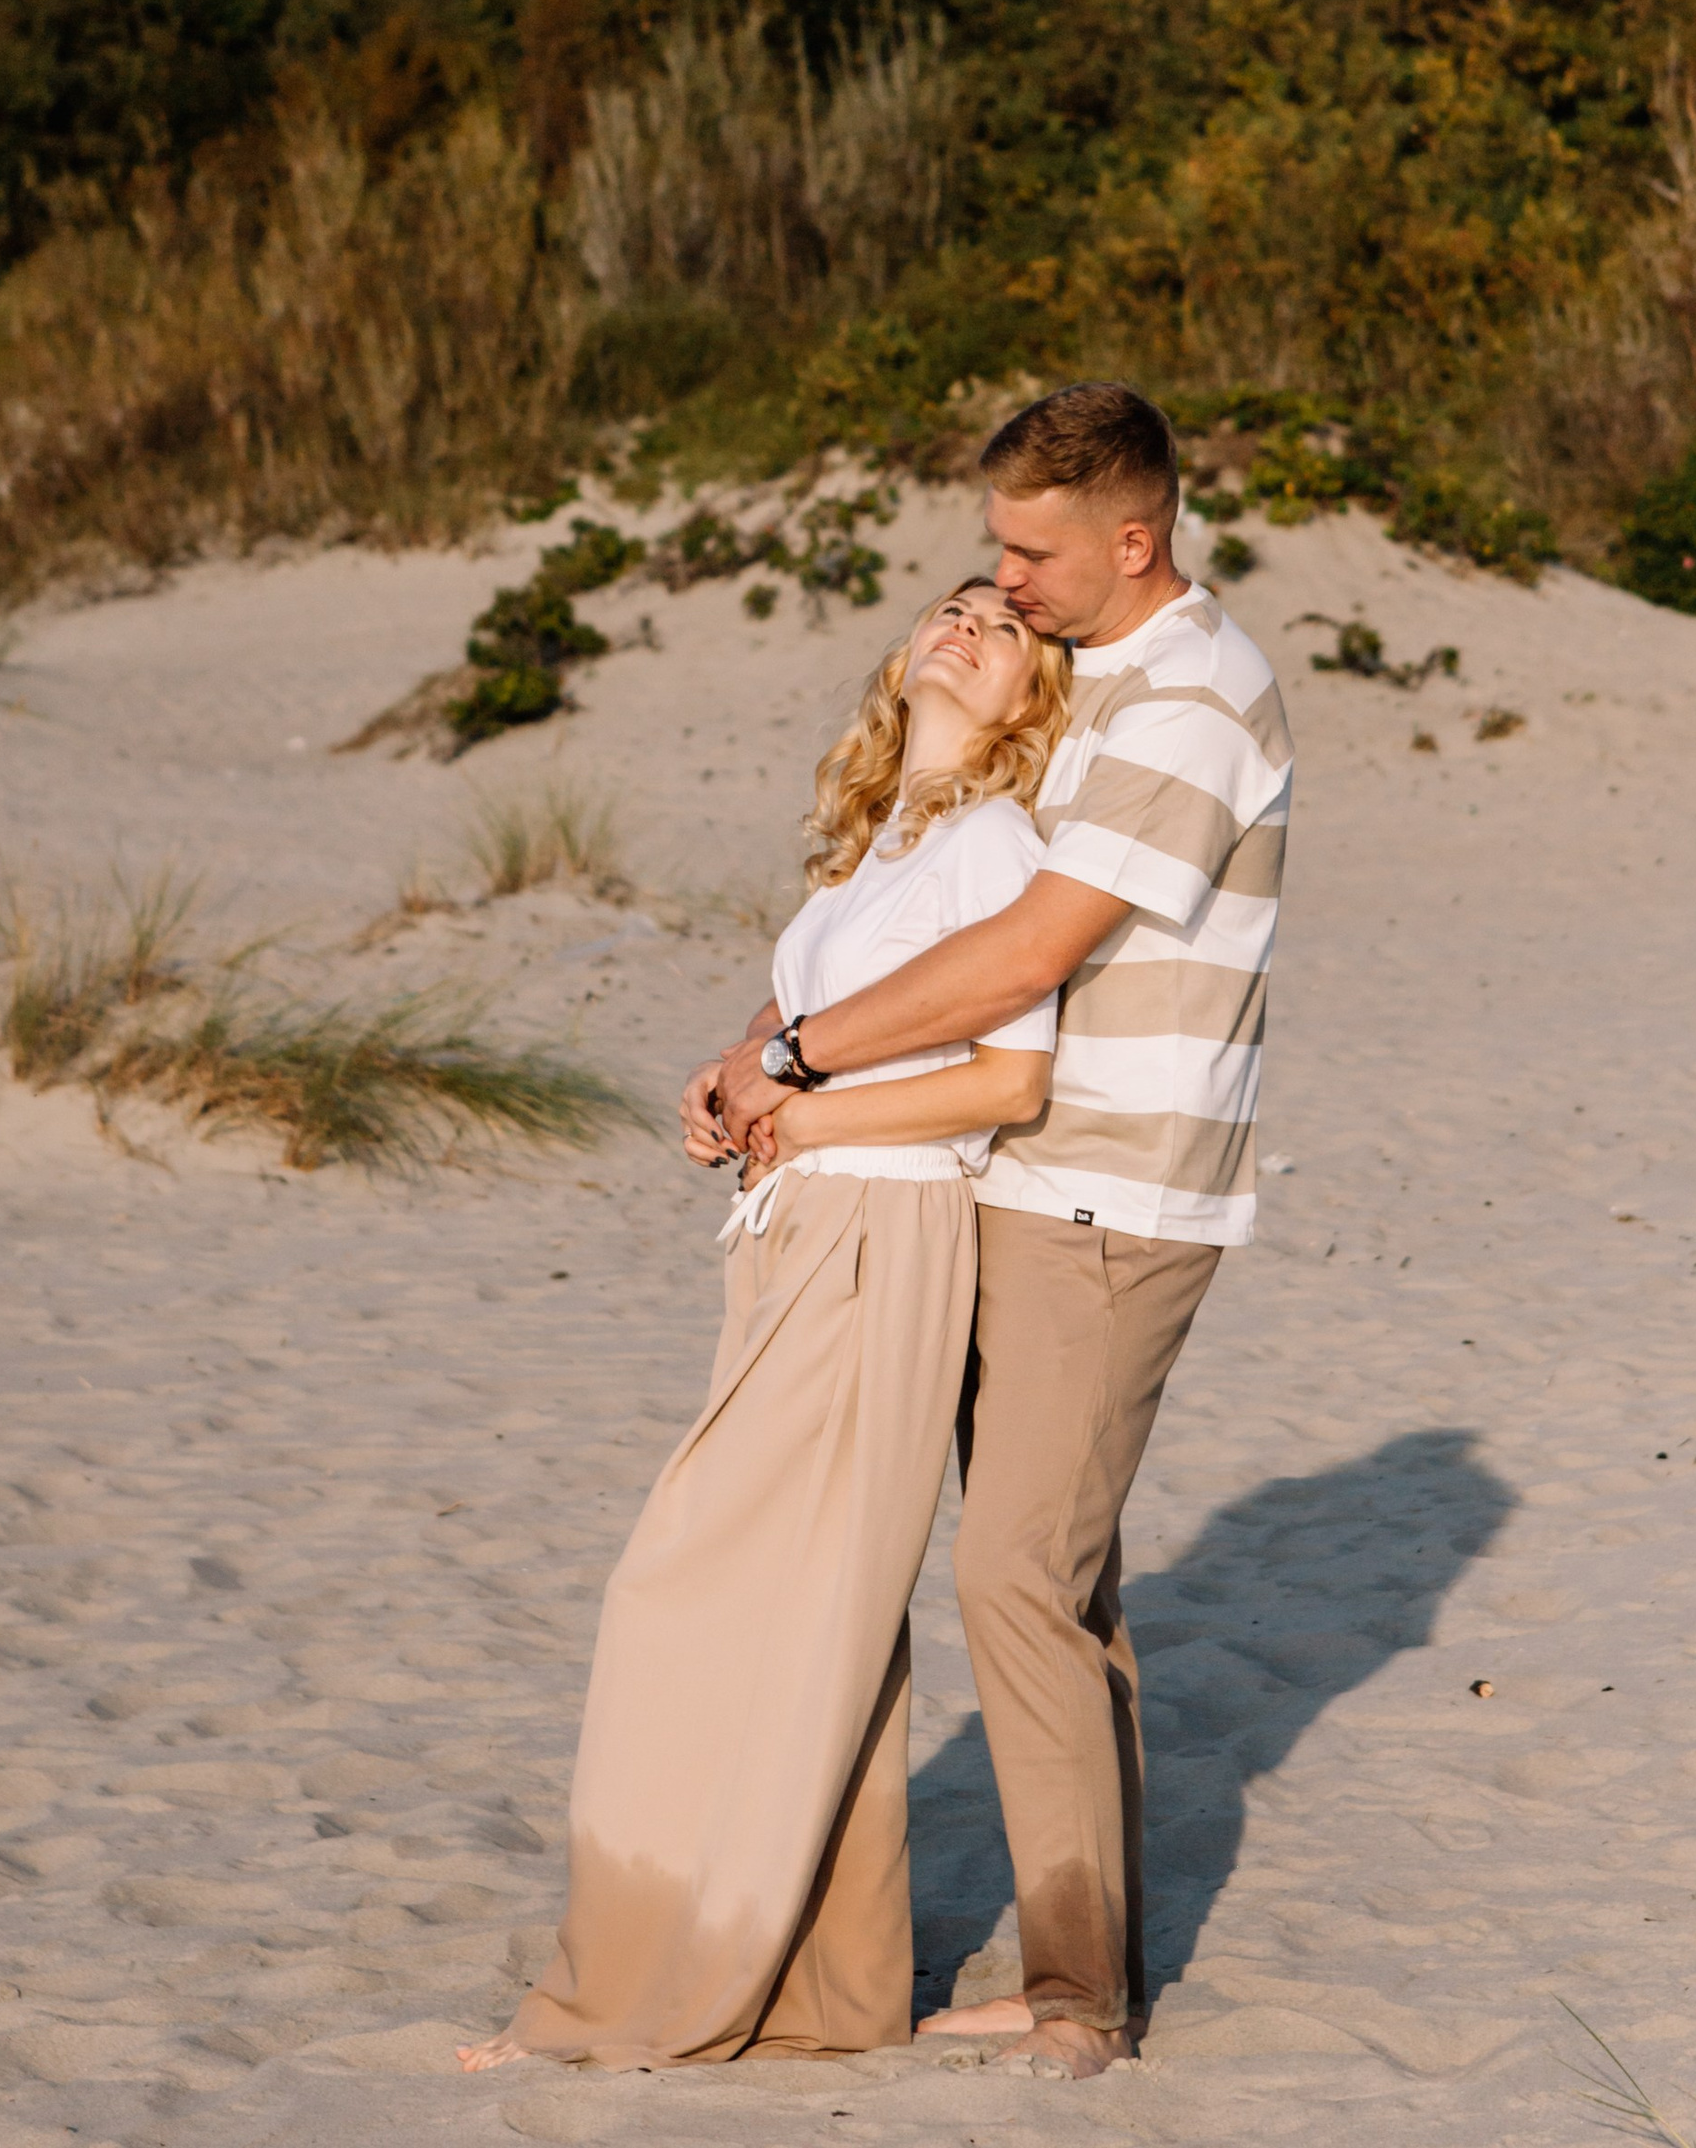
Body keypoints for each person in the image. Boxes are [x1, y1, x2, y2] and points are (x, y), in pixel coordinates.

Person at [697, 381, 1294, 2078]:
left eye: (1033, 551)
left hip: (1111, 1191)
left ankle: (1077, 2000)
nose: (1004, 579)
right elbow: (925, 882)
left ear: (1134, 535)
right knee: (1061, 1581)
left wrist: (799, 1061)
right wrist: (763, 1039)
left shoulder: (1197, 697)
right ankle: (1082, 1964)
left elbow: (1029, 948)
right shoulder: (1088, 667)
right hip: (1002, 1179)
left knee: (1014, 1571)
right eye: (995, 549)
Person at [458, 578, 1072, 2072]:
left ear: (1031, 701)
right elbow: (802, 1025)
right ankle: (826, 1989)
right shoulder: (879, 841)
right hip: (797, 1230)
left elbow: (1008, 1081)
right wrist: (731, 1077)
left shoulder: (997, 841)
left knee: (682, 1584)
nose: (968, 624)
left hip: (881, 1234)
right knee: (819, 1615)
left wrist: (807, 1113)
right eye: (952, 607)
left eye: (1006, 625)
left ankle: (640, 1990)